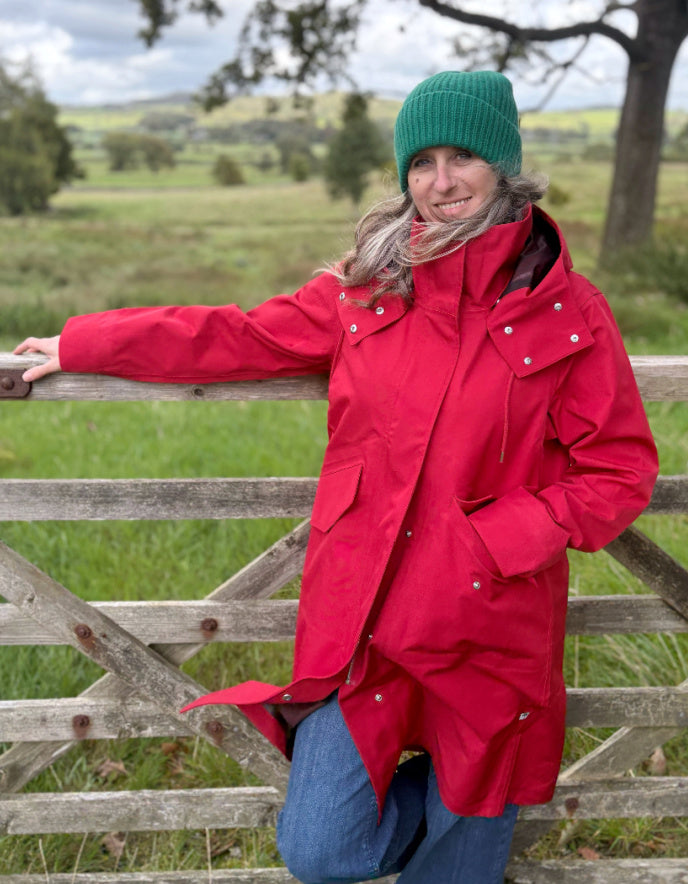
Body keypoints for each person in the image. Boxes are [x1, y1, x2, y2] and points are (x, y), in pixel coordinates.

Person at [16, 71, 658, 883]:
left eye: (462, 157)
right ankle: (469, 806)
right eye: (421, 162)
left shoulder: (567, 313)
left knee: (455, 872)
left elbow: (620, 466)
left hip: (488, 635)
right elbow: (234, 336)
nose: (441, 181)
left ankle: (475, 812)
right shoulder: (365, 293)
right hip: (365, 635)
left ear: (504, 165)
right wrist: (85, 345)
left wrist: (502, 538)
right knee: (322, 850)